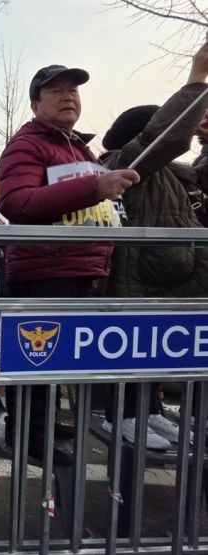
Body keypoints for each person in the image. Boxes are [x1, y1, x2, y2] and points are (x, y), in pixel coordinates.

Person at [0, 64, 140, 464]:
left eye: (73, 90)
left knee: (56, 361)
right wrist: (94, 187)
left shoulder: (78, 147)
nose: (68, 96)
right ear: (35, 104)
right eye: (56, 90)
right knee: (37, 358)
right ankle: (28, 437)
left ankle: (41, 424)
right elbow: (16, 203)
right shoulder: (26, 145)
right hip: (45, 270)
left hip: (80, 268)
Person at [98, 42, 208, 447]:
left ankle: (150, 411)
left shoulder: (178, 174)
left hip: (175, 283)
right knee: (130, 347)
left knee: (153, 355)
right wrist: (197, 79)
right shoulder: (122, 162)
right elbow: (163, 138)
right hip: (137, 280)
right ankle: (122, 416)